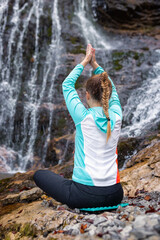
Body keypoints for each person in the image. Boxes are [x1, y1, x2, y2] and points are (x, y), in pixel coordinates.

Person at [33, 44, 123, 209]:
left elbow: (67, 85)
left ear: (87, 96)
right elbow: (113, 89)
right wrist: (95, 65)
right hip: (115, 194)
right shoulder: (117, 116)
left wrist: (85, 61)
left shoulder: (84, 117)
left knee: (40, 175)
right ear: (108, 96)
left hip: (85, 196)